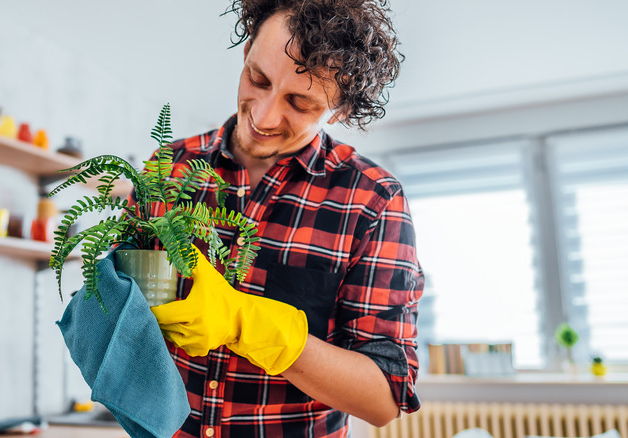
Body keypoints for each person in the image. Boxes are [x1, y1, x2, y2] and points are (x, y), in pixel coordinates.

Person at [147, 0, 425, 436]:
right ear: (246, 54)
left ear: (341, 111)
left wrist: (252, 324)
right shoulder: (169, 168)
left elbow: (383, 398)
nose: (263, 115)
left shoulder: (372, 200)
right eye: (257, 78)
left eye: (300, 102)